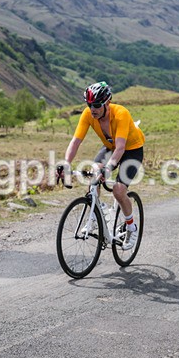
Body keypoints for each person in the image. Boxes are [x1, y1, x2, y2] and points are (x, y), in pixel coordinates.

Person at [59, 81, 145, 249]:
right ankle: (96, 214)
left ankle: (131, 227)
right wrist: (65, 163)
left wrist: (108, 169)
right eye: (89, 104)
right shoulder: (88, 114)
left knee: (119, 191)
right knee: (94, 173)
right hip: (110, 147)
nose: (93, 109)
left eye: (97, 105)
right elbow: (76, 141)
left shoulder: (121, 113)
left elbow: (121, 149)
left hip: (132, 149)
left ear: (107, 102)